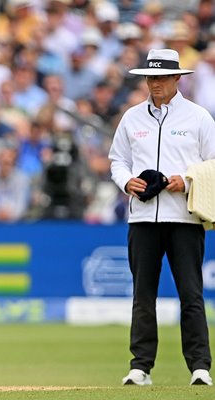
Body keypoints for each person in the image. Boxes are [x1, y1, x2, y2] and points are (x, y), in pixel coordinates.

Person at [109, 49, 215, 386]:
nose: (154, 83)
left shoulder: (198, 117)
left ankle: (200, 368)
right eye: (150, 77)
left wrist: (188, 180)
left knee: (191, 294)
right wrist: (126, 181)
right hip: (142, 218)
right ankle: (140, 368)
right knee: (143, 296)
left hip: (184, 217)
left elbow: (214, 163)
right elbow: (117, 160)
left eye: (161, 77)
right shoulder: (132, 118)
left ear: (177, 79)